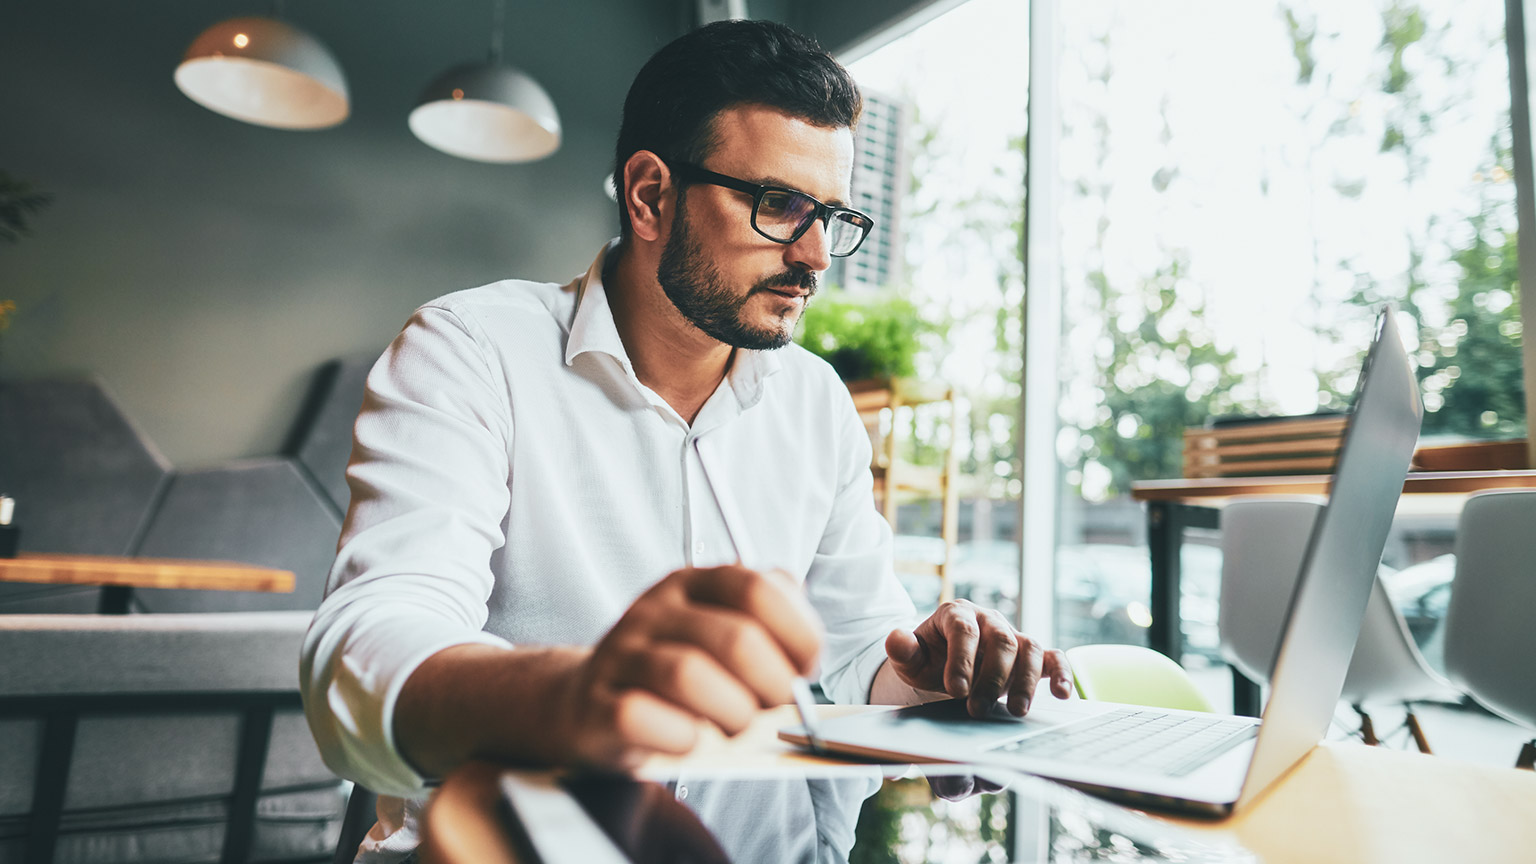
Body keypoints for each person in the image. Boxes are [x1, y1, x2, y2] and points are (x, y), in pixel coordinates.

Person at [300, 18, 1072, 861]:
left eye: (834, 216)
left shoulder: (816, 401)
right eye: (780, 206)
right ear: (650, 195)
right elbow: (370, 643)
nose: (816, 256)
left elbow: (859, 652)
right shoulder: (472, 351)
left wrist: (924, 676)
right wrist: (576, 697)